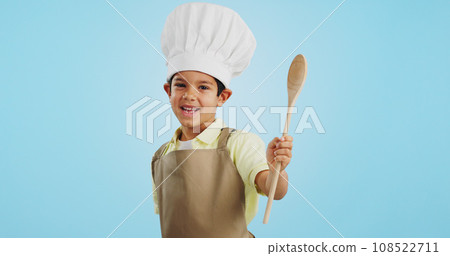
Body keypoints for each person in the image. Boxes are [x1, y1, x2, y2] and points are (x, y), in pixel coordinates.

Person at [151, 2, 293, 238]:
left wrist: (276, 168)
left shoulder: (238, 143)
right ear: (168, 91)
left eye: (203, 87)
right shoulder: (160, 156)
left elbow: (273, 190)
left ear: (222, 97)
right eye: (180, 85)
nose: (189, 94)